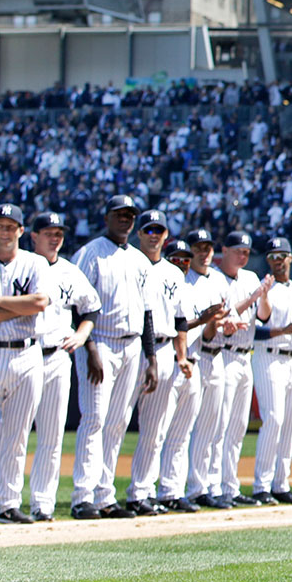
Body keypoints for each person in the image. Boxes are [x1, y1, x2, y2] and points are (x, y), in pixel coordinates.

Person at [70, 195, 157, 520]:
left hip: (132, 345)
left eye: (130, 215)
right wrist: (89, 347)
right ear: (106, 217)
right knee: (94, 419)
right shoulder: (89, 253)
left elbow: (147, 313)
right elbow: (76, 305)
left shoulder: (138, 259)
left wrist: (151, 358)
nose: (125, 219)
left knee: (119, 422)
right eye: (119, 214)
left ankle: (105, 495)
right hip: (101, 342)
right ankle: (83, 497)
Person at [0, 204, 50, 524]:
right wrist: (19, 308)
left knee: (17, 435)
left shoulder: (36, 263)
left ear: (21, 231)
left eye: (12, 226)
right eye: (0, 225)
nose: (6, 231)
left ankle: (7, 503)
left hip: (28, 354)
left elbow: (39, 302)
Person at [26, 212, 99, 523]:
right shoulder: (24, 265)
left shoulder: (70, 271)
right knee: (9, 432)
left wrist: (82, 335)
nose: (55, 238)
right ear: (33, 236)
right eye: (48, 232)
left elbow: (91, 307)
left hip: (57, 356)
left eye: (59, 233)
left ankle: (42, 502)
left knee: (52, 434)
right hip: (24, 353)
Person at [124, 210, 190, 516]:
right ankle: (100, 495)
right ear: (139, 233)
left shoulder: (174, 274)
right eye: (148, 229)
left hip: (163, 350)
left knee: (155, 430)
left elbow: (180, 322)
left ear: (166, 236)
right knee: (113, 424)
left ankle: (141, 492)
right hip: (127, 345)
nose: (153, 235)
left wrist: (181, 356)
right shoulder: (127, 262)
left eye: (159, 230)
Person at [157, 240, 224, 512]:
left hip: (193, 362)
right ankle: (148, 491)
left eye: (186, 259)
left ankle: (172, 491)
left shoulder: (193, 289)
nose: (182, 263)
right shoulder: (165, 286)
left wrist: (211, 323)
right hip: (169, 360)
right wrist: (202, 320)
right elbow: (176, 326)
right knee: (158, 432)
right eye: (177, 259)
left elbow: (197, 331)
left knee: (181, 435)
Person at [250, 237, 292, 504]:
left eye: (281, 255)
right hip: (268, 357)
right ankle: (261, 485)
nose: (277, 260)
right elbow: (258, 328)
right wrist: (263, 295)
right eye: (272, 256)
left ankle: (281, 484)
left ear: (290, 258)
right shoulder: (264, 288)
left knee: (287, 425)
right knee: (273, 419)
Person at [214, 231, 269, 507]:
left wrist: (263, 296)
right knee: (218, 424)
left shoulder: (250, 278)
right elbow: (226, 315)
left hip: (245, 354)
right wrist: (253, 297)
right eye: (238, 250)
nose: (243, 255)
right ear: (224, 250)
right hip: (221, 355)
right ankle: (211, 486)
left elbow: (263, 315)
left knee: (238, 427)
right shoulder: (215, 278)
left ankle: (230, 487)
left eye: (246, 251)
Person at [183, 229, 233, 510]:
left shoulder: (218, 280)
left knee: (212, 426)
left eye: (208, 247)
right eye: (198, 247)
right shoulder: (184, 278)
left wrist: (223, 323)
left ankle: (203, 486)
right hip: (192, 355)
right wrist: (210, 322)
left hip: (216, 357)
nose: (204, 252)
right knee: (184, 425)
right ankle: (179, 487)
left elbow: (216, 329)